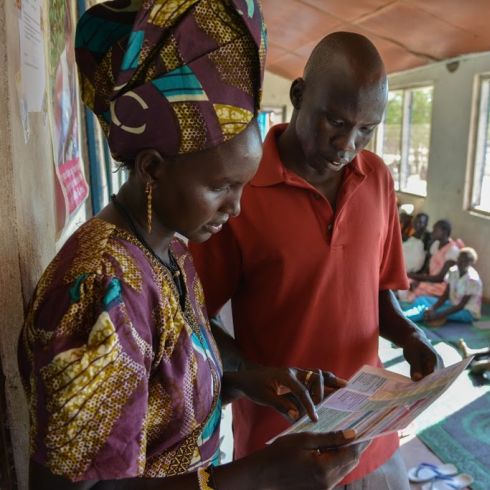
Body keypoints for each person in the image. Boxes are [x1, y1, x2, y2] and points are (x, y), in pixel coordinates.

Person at [17, 3, 366, 489]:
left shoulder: (171, 251)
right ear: (153, 168)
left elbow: (162, 392)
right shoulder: (103, 291)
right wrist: (260, 474)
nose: (237, 208)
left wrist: (246, 380)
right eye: (222, 186)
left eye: (244, 185)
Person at [190, 31, 441, 489]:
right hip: (282, 451)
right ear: (299, 94)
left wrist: (410, 334)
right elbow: (191, 318)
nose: (348, 145)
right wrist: (250, 374)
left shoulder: (377, 179)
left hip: (370, 438)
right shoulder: (240, 187)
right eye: (336, 122)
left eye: (367, 129)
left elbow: (378, 291)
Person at [403, 247, 482, 326]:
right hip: (453, 303)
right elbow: (445, 295)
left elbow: (461, 306)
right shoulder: (453, 271)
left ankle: (404, 318)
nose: (461, 262)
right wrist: (433, 308)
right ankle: (403, 313)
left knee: (426, 310)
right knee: (423, 300)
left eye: (465, 261)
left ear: (472, 262)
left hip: (466, 310)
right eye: (460, 259)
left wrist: (438, 314)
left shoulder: (473, 279)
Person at [402, 219, 461, 301]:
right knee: (404, 283)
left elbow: (440, 278)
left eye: (435, 230)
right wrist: (418, 278)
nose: (432, 232)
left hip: (442, 286)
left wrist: (412, 276)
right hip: (430, 280)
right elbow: (428, 269)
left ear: (444, 232)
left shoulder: (452, 251)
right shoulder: (436, 244)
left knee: (409, 288)